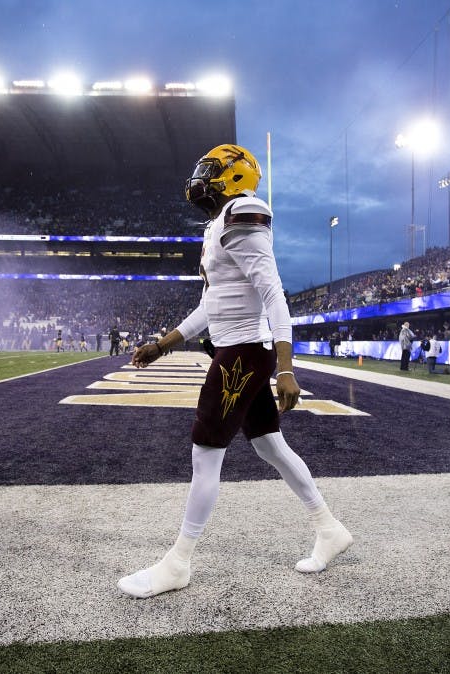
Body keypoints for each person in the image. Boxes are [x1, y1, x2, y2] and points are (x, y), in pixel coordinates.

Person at [117, 144, 352, 599]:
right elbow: (212, 304)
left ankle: (178, 563)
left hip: (244, 353)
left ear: (235, 176)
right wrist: (163, 345)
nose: (201, 176)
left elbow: (274, 294)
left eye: (210, 170)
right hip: (238, 348)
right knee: (270, 447)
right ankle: (329, 527)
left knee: (205, 454)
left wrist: (286, 366)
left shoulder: (243, 211)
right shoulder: (217, 226)